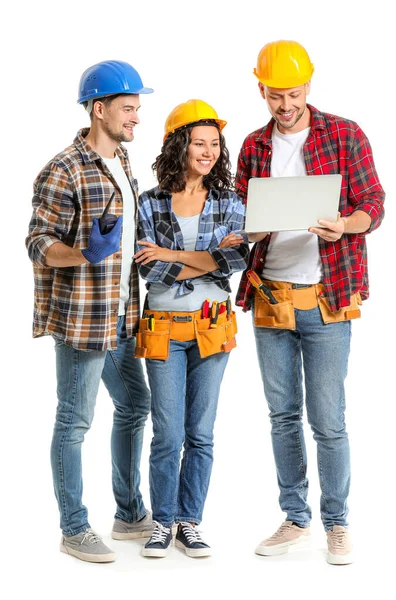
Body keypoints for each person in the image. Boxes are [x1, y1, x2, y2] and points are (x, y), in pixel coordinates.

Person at [235, 40, 385, 565]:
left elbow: (374, 205)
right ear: (262, 90)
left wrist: (344, 225)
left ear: (309, 87)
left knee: (329, 420)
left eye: (293, 94)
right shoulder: (254, 145)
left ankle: (337, 523)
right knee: (281, 416)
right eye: (275, 96)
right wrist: (247, 229)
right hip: (270, 296)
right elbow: (239, 217)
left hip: (328, 296)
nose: (284, 105)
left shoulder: (344, 133)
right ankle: (295, 518)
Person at [26, 60, 154, 563]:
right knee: (74, 421)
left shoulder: (122, 160)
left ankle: (128, 514)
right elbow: (37, 242)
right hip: (83, 319)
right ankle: (73, 527)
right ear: (99, 109)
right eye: (128, 108)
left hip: (121, 314)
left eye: (138, 108)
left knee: (135, 405)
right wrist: (82, 254)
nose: (136, 117)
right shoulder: (63, 168)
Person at [134, 99, 249, 558]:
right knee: (168, 433)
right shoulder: (149, 202)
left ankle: (189, 520)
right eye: (199, 143)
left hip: (212, 326)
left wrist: (173, 254)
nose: (208, 152)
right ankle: (162, 521)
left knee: (201, 432)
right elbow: (150, 273)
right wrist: (206, 260)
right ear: (178, 145)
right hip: (162, 325)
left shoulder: (230, 202)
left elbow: (235, 262)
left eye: (215, 144)